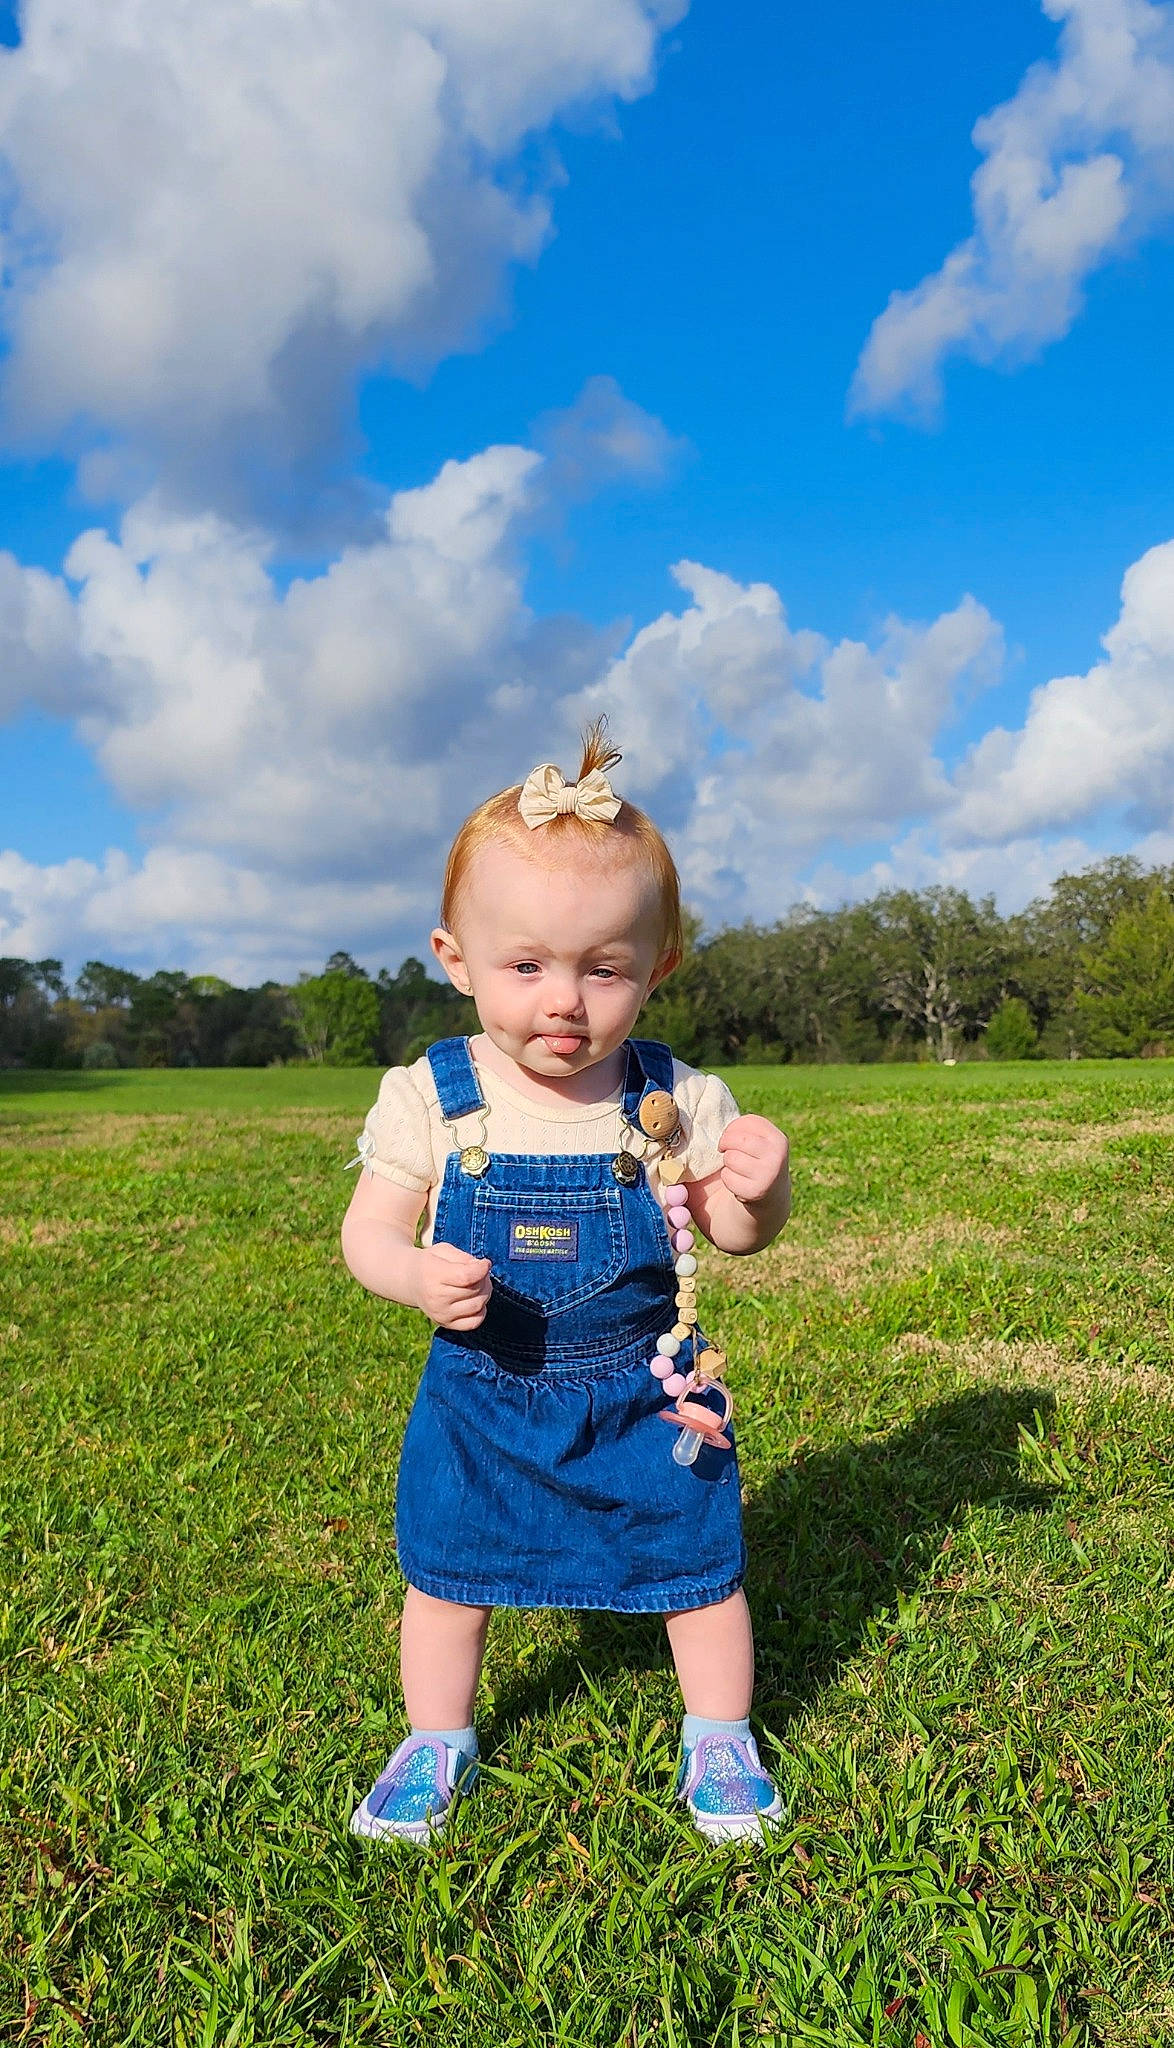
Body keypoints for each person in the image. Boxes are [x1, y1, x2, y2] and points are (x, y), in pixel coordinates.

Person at [341, 723, 791, 1845]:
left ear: (657, 968)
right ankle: (436, 1735)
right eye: (526, 965)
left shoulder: (675, 1098)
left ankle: (720, 1732)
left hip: (646, 1389)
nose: (565, 1001)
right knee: (448, 1574)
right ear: (455, 957)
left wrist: (759, 1188)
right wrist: (413, 1273)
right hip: (481, 1393)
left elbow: (732, 1234)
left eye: (604, 968)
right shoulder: (432, 1097)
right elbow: (368, 1233)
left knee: (698, 1569)